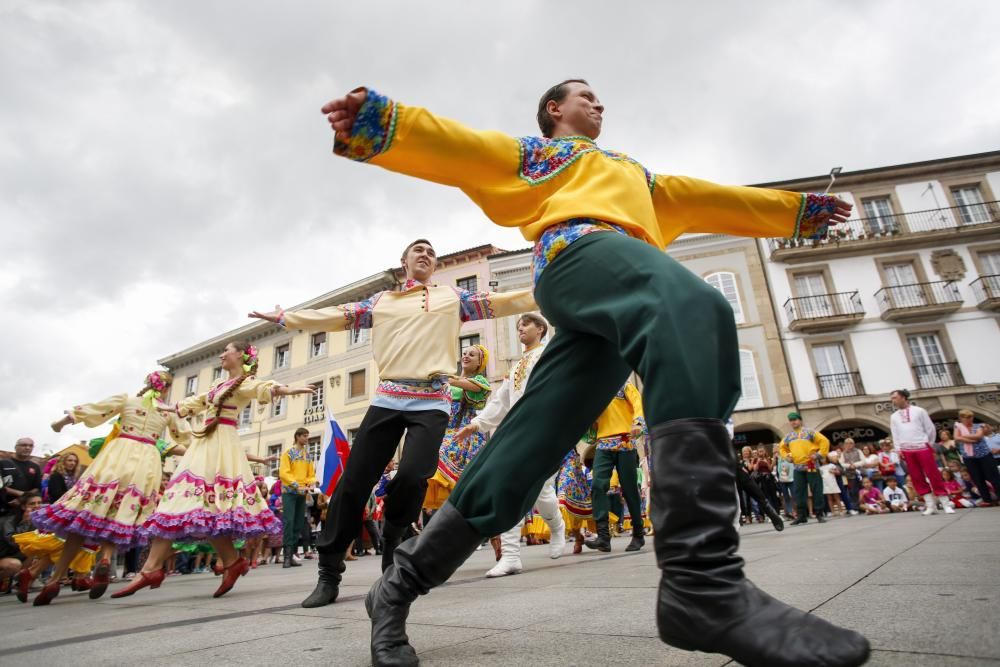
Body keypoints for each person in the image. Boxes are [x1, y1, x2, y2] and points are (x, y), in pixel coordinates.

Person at [319, 80, 868, 667]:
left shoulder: (640, 175)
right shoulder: (547, 155)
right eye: (585, 95)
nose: (600, 102)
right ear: (555, 110)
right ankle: (703, 583)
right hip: (578, 257)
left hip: (617, 295)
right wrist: (383, 124)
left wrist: (798, 212)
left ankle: (397, 587)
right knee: (695, 305)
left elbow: (712, 197)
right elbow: (469, 147)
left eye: (601, 96)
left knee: (526, 449)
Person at [249, 239, 534, 607]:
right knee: (353, 484)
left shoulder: (453, 299)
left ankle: (395, 540)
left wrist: (546, 290)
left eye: (431, 252)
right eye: (418, 249)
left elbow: (505, 302)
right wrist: (290, 318)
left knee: (415, 473)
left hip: (431, 400)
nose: (426, 254)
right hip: (387, 398)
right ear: (404, 262)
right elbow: (339, 315)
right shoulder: (381, 302)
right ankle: (329, 572)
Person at [113, 342, 312, 599]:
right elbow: (195, 402)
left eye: (226, 350)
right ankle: (226, 563)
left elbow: (265, 387)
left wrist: (287, 389)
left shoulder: (244, 383)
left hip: (220, 447)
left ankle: (155, 569)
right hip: (204, 444)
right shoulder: (217, 385)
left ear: (239, 355)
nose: (221, 354)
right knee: (186, 503)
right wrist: (167, 408)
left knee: (199, 503)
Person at [29, 372, 192, 605]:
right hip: (145, 463)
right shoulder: (167, 411)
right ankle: (105, 558)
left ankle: (54, 579)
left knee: (84, 516)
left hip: (117, 456)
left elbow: (96, 409)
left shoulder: (127, 400)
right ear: (166, 389)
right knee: (118, 515)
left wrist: (63, 422)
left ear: (147, 383)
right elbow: (184, 438)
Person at [452, 313, 567, 576]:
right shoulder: (516, 366)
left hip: (545, 428)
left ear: (540, 328)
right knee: (509, 487)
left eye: (525, 324)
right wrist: (477, 424)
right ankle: (511, 555)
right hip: (518, 429)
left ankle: (557, 526)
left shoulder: (549, 353)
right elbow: (502, 400)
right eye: (517, 326)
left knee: (543, 492)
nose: (520, 329)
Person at [424, 345, 491, 515]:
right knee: (441, 475)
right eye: (465, 353)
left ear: (480, 362)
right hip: (445, 432)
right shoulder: (448, 382)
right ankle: (449, 519)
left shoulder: (479, 381)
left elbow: (476, 388)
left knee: (447, 465)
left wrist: (447, 379)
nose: (466, 356)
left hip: (466, 433)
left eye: (472, 355)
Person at [584, 381, 647, 552]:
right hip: (603, 443)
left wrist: (638, 422)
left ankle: (638, 534)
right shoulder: (594, 391)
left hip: (625, 440)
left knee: (629, 489)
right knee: (597, 485)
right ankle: (603, 537)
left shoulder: (623, 384)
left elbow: (637, 401)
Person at [888, 389, 954, 516]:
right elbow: (895, 434)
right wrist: (898, 449)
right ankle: (930, 505)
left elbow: (930, 428)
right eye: (892, 398)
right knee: (917, 477)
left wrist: (928, 443)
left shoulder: (919, 411)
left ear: (903, 397)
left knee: (933, 474)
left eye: (895, 398)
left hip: (922, 447)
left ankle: (946, 504)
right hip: (907, 449)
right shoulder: (894, 416)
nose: (893, 401)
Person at [780, 412, 830, 525]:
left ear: (800, 420)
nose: (793, 422)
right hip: (797, 467)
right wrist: (787, 456)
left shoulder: (810, 432)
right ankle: (802, 516)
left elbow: (824, 441)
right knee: (799, 492)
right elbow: (781, 448)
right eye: (791, 420)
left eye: (795, 419)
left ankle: (819, 514)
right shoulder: (788, 436)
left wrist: (819, 454)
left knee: (816, 489)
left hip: (811, 464)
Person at [279, 427, 317, 568]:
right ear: (298, 436)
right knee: (289, 521)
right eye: (305, 436)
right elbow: (284, 472)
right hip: (289, 492)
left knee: (298, 523)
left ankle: (293, 554)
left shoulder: (307, 456)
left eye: (308, 436)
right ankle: (287, 557)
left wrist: (311, 482)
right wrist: (295, 484)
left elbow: (310, 473)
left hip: (302, 493)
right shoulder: (288, 453)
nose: (307, 438)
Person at [953, 410, 1000, 507]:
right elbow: (956, 438)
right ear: (961, 418)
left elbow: (978, 436)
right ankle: (987, 499)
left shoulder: (980, 425)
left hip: (984, 455)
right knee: (978, 478)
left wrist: (963, 437)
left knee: (993, 477)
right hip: (969, 457)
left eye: (970, 417)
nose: (968, 419)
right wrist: (970, 439)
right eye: (965, 417)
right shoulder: (958, 426)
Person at [1, 438, 42, 516]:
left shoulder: (35, 466)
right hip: (5, 508)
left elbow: (36, 488)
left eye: (31, 446)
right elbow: (2, 485)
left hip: (26, 509)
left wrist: (22, 498)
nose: (27, 448)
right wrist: (21, 494)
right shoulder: (3, 464)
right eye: (24, 445)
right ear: (16, 447)